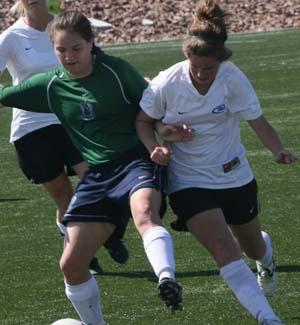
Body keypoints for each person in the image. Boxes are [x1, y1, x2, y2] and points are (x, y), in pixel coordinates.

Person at [0, 10, 182, 324]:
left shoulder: (116, 70)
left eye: (76, 49)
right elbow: (5, 96)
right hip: (98, 175)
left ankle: (166, 278)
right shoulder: (50, 85)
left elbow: (152, 106)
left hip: (137, 160)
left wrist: (165, 133)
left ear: (91, 43)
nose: (69, 57)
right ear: (52, 48)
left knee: (144, 214)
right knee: (71, 264)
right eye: (61, 50)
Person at [136, 0, 296, 324]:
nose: (201, 73)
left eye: (208, 68)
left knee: (250, 247)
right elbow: (142, 120)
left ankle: (264, 254)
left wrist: (277, 150)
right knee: (224, 250)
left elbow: (259, 123)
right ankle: (268, 318)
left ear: (220, 61)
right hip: (189, 180)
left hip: (234, 175)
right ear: (187, 56)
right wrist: (155, 145)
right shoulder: (167, 82)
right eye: (195, 66)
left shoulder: (232, 78)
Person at [0, 0, 128, 274]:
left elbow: (99, 63)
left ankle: (111, 234)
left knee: (94, 178)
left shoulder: (65, 25)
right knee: (64, 197)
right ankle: (81, 250)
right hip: (31, 126)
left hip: (72, 120)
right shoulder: (10, 38)